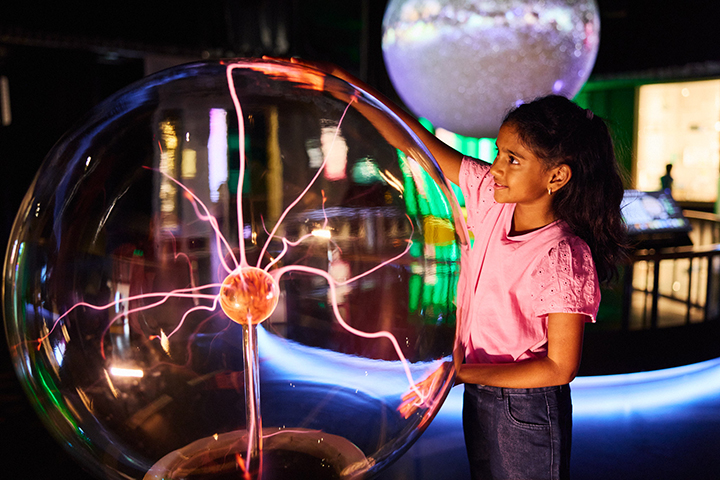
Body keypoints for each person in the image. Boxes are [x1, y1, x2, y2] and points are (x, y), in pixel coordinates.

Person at [284, 58, 628, 480]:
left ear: (556, 176)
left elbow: (560, 368)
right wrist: (352, 89)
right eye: (500, 154)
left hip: (526, 405)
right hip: (480, 390)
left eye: (513, 160)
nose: (497, 167)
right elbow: (417, 144)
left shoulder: (562, 254)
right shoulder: (491, 198)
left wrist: (458, 373)